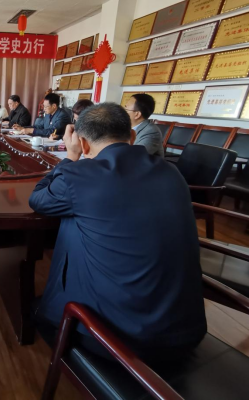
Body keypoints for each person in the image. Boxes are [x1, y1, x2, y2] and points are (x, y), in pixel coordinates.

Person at [29, 103, 206, 362]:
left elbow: (37, 199)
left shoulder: (80, 175)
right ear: (132, 136)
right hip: (186, 331)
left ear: (83, 144)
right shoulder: (171, 171)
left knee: (72, 220)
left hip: (117, 341)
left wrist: (70, 156)